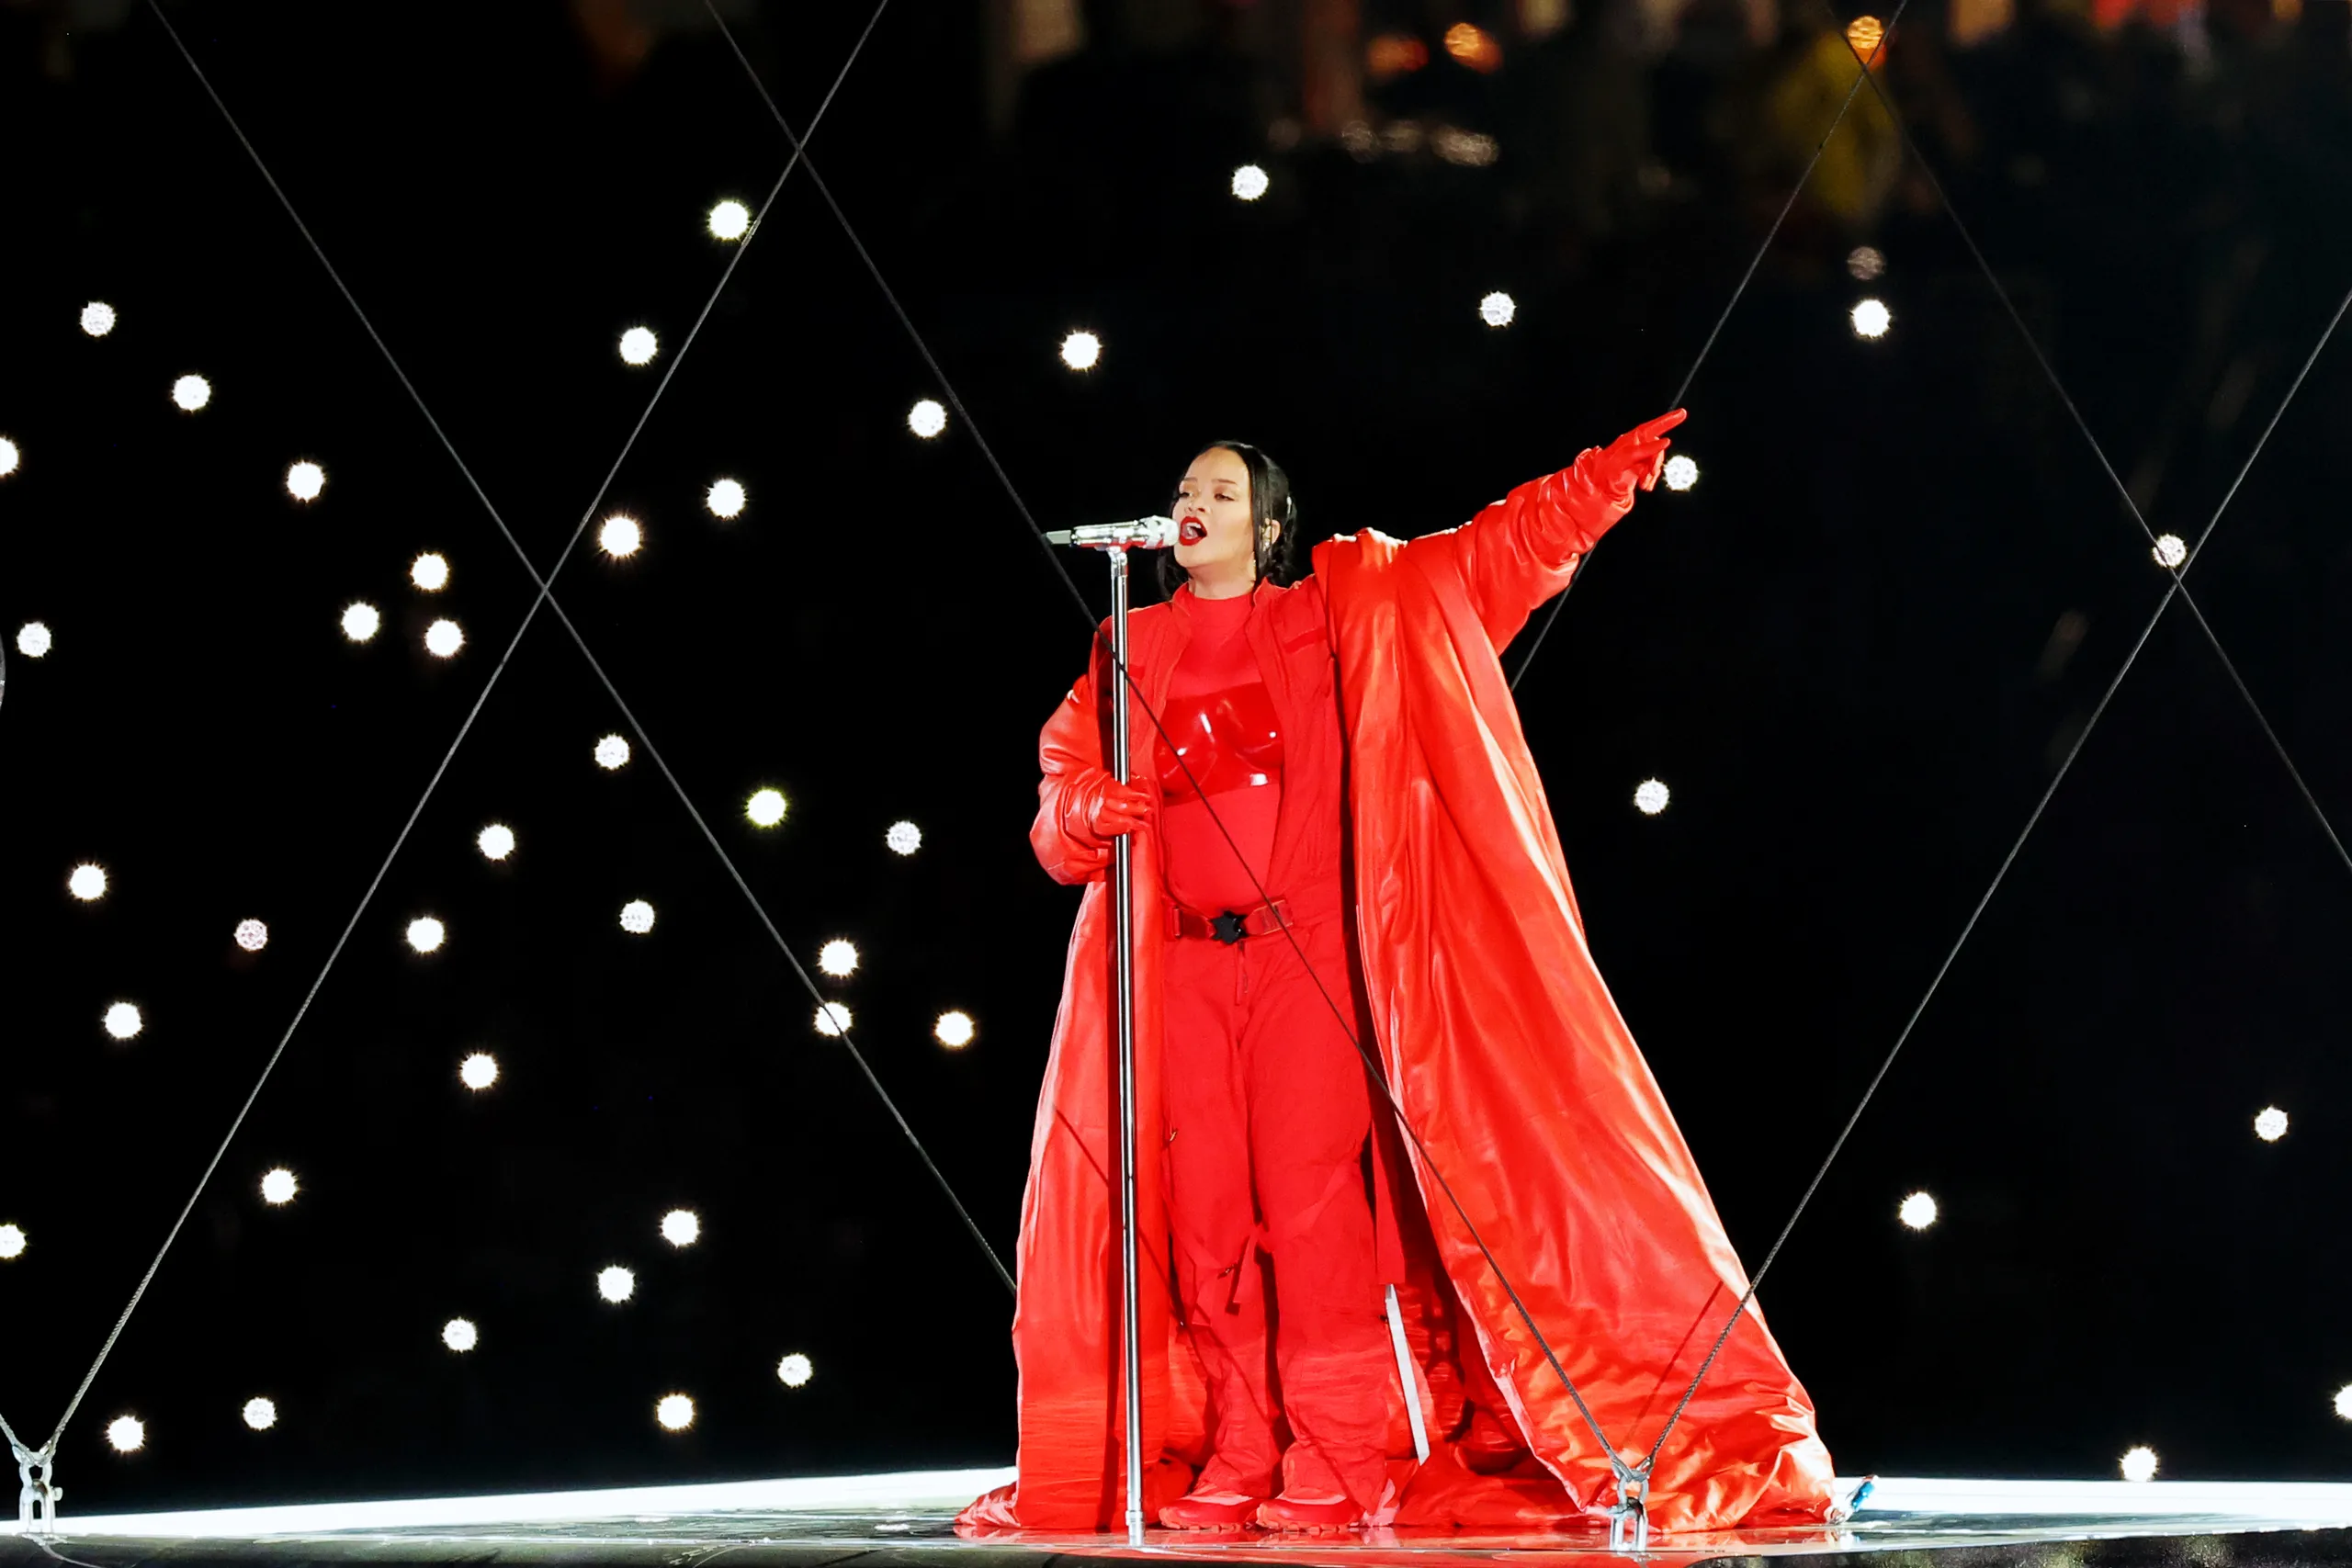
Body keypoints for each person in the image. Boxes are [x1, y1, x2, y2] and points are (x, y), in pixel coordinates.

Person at [960, 413, 1839, 1537]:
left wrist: (1586, 489)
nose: (1193, 505)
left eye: (1221, 492)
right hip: (1178, 966)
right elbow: (1057, 804)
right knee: (1206, 1214)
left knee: (1309, 1203)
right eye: (1185, 488)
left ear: (1268, 526)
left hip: (1303, 955)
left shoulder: (1334, 613)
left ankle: (1335, 1454)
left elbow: (1477, 564)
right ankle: (1241, 1448)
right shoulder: (1126, 647)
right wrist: (1086, 807)